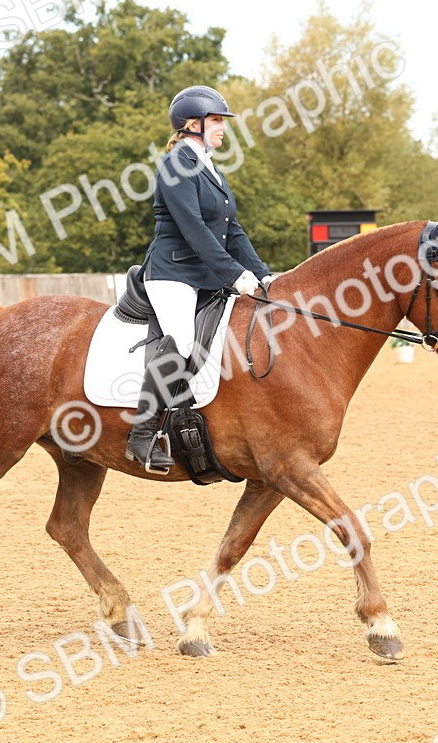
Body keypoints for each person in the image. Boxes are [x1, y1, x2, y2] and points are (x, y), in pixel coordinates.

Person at [125, 85, 275, 473]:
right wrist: (234, 275)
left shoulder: (209, 166)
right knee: (184, 338)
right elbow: (194, 230)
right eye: (217, 121)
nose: (223, 128)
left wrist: (261, 274)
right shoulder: (177, 164)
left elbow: (232, 229)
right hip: (173, 271)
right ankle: (141, 436)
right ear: (193, 124)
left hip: (206, 275)